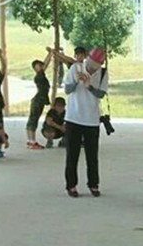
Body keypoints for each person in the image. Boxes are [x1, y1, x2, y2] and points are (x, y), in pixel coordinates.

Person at [63, 47, 108, 197]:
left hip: (92, 119)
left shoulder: (102, 73)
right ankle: (71, 185)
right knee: (72, 154)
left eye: (95, 66)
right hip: (73, 117)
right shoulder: (75, 68)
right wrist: (76, 81)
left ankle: (93, 184)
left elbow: (101, 94)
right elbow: (67, 90)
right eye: (89, 64)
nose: (91, 68)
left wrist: (89, 87)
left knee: (92, 155)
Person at [26, 51, 54, 149]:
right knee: (33, 120)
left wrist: (50, 54)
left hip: (41, 100)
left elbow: (45, 65)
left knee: (34, 119)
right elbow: (45, 64)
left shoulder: (41, 75)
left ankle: (30, 141)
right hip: (38, 100)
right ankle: (31, 141)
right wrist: (50, 54)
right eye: (38, 66)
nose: (40, 67)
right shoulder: (38, 76)